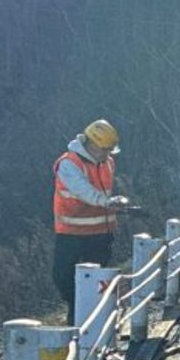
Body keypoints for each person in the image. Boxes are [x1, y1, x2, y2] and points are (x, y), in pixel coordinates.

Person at [52, 120, 129, 321]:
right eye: (104, 150)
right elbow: (83, 190)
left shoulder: (108, 162)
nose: (107, 154)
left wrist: (115, 203)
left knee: (94, 282)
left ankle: (83, 319)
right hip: (71, 233)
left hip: (100, 233)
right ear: (90, 144)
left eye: (110, 150)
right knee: (62, 277)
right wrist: (108, 202)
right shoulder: (69, 164)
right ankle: (78, 310)